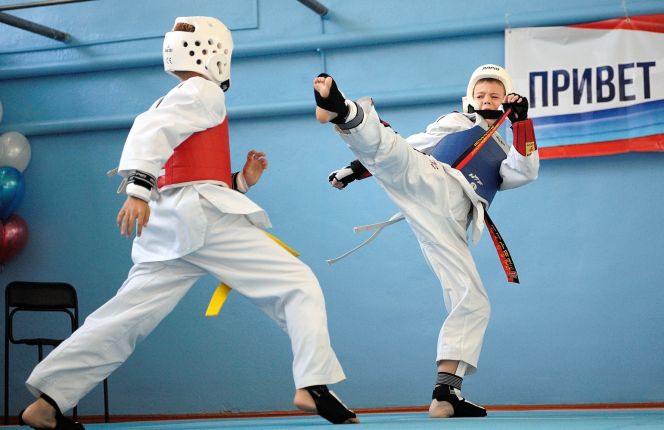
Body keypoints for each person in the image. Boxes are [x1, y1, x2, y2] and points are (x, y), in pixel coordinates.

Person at [18, 16, 358, 430]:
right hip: (201, 220)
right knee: (297, 284)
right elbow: (151, 131)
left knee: (124, 318)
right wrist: (138, 187)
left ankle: (48, 401)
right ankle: (313, 383)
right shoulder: (203, 90)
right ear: (216, 53)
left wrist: (239, 181)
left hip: (169, 225)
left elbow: (181, 166)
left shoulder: (175, 96)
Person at [313, 64, 539, 418]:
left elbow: (525, 171)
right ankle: (343, 111)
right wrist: (355, 170)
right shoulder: (456, 121)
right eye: (481, 94)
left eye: (494, 95)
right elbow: (411, 146)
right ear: (470, 97)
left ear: (505, 99)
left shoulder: (504, 147)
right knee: (401, 159)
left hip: (452, 220)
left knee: (473, 299)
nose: (487, 100)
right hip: (437, 180)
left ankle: (446, 393)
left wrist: (522, 122)